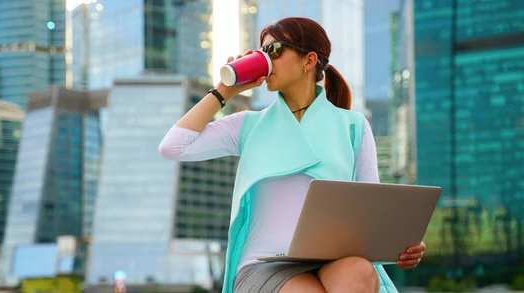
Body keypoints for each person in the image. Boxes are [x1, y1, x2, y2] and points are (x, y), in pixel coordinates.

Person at [159, 17, 426, 293]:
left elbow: (372, 208)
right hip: (263, 264)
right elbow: (174, 146)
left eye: (274, 50)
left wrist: (403, 244)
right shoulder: (247, 125)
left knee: (359, 271)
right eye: (261, 52)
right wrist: (225, 90)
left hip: (331, 259)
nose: (265, 59)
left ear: (308, 61)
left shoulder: (353, 126)